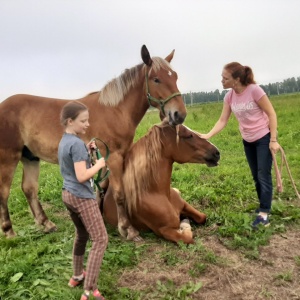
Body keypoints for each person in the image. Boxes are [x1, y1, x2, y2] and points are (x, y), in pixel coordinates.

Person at [200, 62, 280, 228]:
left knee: (263, 175)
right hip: (248, 140)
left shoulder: (254, 91)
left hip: (263, 137)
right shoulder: (229, 97)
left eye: (225, 78)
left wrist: (273, 140)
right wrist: (208, 135)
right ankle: (263, 207)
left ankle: (264, 213)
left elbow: (271, 113)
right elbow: (223, 120)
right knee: (256, 176)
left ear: (236, 79)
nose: (222, 81)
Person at [58, 101, 108, 300]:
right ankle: (89, 290)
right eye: (83, 121)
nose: (87, 124)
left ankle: (77, 275)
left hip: (67, 194)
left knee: (82, 234)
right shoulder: (76, 144)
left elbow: (73, 162)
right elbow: (82, 176)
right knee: (101, 239)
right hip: (81, 196)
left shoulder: (65, 140)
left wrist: (87, 150)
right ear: (70, 121)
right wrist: (99, 164)